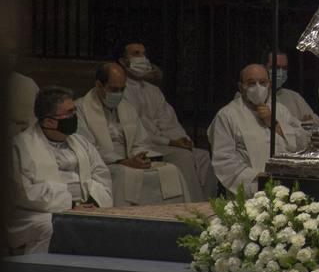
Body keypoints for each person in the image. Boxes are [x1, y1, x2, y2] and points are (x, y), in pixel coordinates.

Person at [9, 86, 114, 253]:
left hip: (87, 205)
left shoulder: (80, 142)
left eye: (74, 111)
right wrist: (71, 205)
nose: (75, 117)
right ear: (49, 121)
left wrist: (93, 202)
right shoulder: (21, 146)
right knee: (51, 226)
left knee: (110, 223)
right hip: (36, 211)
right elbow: (24, 191)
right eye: (69, 113)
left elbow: (101, 173)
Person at [74, 62, 188, 206]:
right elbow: (87, 148)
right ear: (99, 85)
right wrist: (122, 161)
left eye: (122, 89)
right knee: (124, 175)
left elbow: (141, 141)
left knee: (172, 171)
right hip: (105, 165)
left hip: (131, 160)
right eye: (114, 89)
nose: (118, 94)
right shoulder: (80, 108)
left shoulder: (127, 107)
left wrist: (140, 156)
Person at [119, 42, 213, 200]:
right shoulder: (122, 90)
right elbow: (136, 129)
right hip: (147, 144)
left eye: (143, 53)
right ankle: (191, 206)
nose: (142, 58)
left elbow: (168, 120)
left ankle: (209, 202)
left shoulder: (152, 90)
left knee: (202, 156)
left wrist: (181, 138)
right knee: (184, 156)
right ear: (123, 61)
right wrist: (170, 142)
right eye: (136, 54)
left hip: (165, 142)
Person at [208, 63, 311, 194]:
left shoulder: (280, 110)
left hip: (286, 184)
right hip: (252, 187)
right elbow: (224, 161)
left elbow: (303, 143)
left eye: (262, 82)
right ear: (241, 87)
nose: (258, 88)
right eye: (251, 83)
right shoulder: (227, 115)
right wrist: (260, 177)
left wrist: (273, 124)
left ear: (269, 84)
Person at [266, 51, 319, 126]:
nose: (280, 72)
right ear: (264, 67)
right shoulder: (258, 97)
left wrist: (308, 121)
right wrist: (300, 124)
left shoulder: (294, 96)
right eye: (276, 67)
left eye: (284, 68)